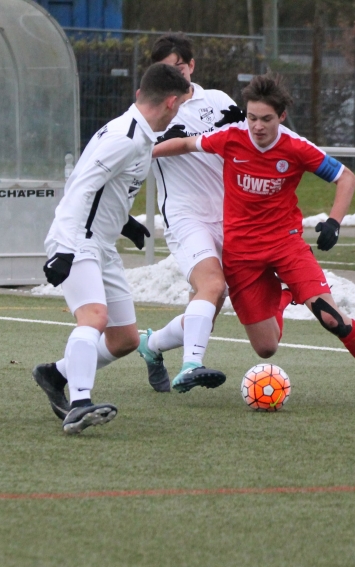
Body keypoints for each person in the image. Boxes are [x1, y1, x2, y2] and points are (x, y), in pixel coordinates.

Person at [153, 74, 355, 409]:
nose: (257, 126)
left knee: (330, 317)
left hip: (285, 245)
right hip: (241, 256)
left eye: (266, 119)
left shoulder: (295, 147)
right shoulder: (231, 137)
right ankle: (285, 294)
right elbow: (187, 145)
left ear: (282, 116)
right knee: (266, 348)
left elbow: (346, 177)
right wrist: (143, 152)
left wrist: (334, 222)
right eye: (251, 117)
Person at [33, 63, 191, 434]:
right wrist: (65, 250)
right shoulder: (126, 138)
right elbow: (80, 189)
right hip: (78, 241)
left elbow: (106, 187)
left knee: (124, 340)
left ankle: (55, 375)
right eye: (180, 106)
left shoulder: (141, 133)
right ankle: (79, 404)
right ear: (171, 102)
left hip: (101, 244)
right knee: (94, 317)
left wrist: (124, 222)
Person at [135, 33, 246, 394]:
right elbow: (130, 156)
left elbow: (248, 145)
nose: (174, 75)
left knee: (207, 310)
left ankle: (151, 345)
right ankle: (191, 366)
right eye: (165, 69)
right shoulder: (152, 112)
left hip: (228, 215)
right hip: (185, 217)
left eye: (179, 67)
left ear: (192, 66)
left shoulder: (219, 102)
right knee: (212, 285)